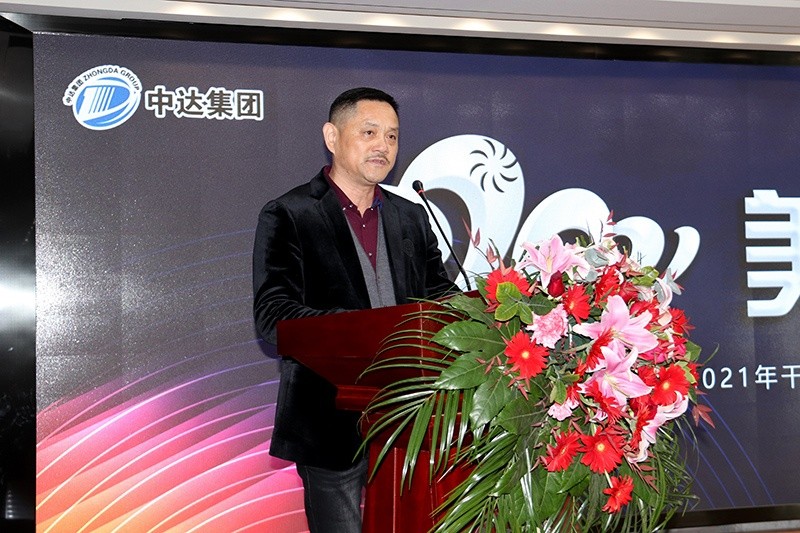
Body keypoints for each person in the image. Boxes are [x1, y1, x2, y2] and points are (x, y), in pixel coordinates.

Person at [252, 87, 456, 533]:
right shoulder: (290, 214)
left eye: (392, 136)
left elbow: (440, 300)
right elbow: (272, 315)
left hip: (412, 423)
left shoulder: (410, 216)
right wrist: (359, 330)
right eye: (369, 132)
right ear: (332, 136)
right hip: (327, 420)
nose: (383, 145)